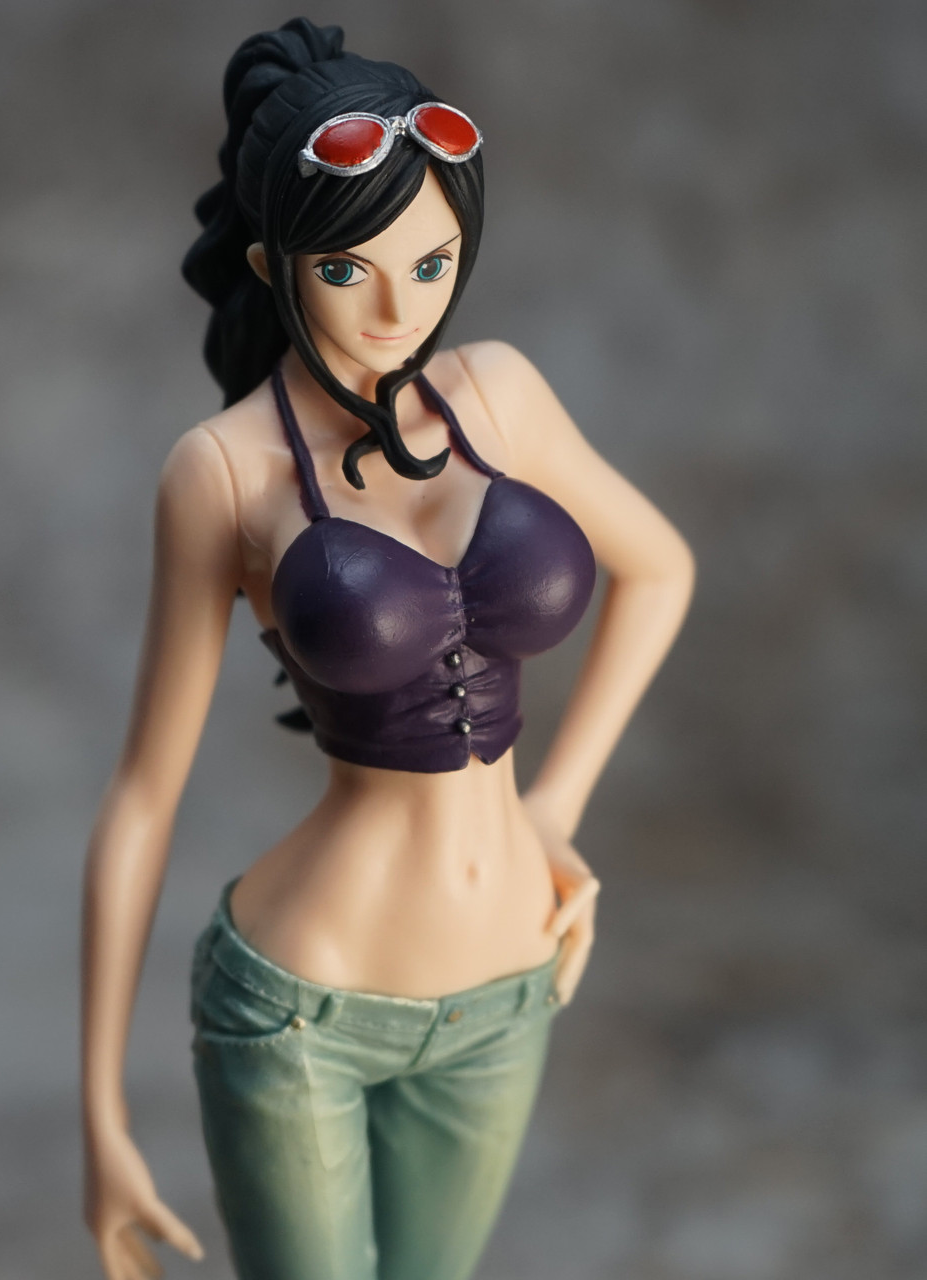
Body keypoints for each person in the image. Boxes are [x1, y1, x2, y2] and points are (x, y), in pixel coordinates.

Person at [81, 17, 695, 1280]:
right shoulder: (223, 473)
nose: (393, 308)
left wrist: (555, 806)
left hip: (509, 984)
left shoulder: (497, 393)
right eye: (345, 268)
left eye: (429, 263)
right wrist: (102, 1112)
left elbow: (659, 565)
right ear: (273, 265)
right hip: (301, 1006)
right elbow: (142, 797)